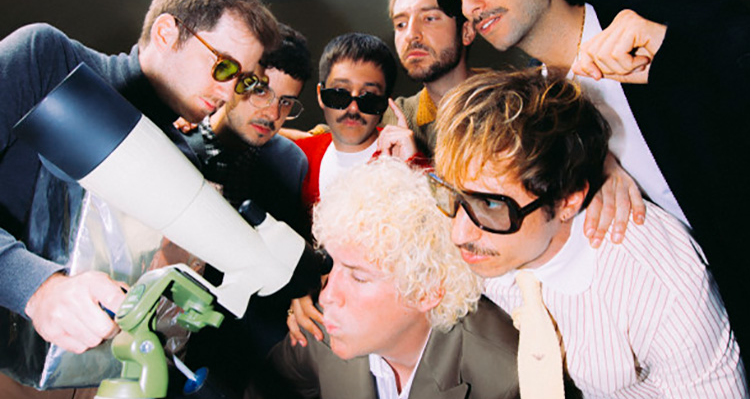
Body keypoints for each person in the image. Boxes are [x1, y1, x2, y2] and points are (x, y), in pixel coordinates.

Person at [424, 0, 750, 350]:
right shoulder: (532, 115)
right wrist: (595, 165)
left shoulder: (661, 21)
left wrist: (674, 53)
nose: (468, 5)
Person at [0, 0, 279, 362]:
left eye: (244, 81)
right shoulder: (46, 62)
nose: (229, 93)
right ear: (166, 33)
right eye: (224, 67)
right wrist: (36, 288)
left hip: (99, 373)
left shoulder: (184, 162)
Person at [431, 68, 747, 396]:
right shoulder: (480, 237)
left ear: (568, 200)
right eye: (453, 194)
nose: (459, 234)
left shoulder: (660, 284)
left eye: (492, 205)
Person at [263, 158, 519, 399]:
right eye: (330, 264)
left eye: (358, 277)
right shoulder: (321, 328)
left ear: (426, 290)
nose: (327, 296)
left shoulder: (508, 380)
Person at [182, 23, 311, 233]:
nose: (273, 114)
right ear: (233, 80)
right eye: (260, 91)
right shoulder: (176, 138)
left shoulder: (290, 163)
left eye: (286, 102)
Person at [296, 32, 412, 211]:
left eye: (369, 98)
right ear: (320, 95)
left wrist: (410, 169)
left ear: (385, 103)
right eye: (339, 94)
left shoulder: (404, 158)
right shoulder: (298, 157)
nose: (353, 109)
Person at [379, 0, 478, 159]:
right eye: (401, 24)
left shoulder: (512, 105)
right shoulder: (397, 115)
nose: (410, 35)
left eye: (429, 18)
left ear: (466, 32)